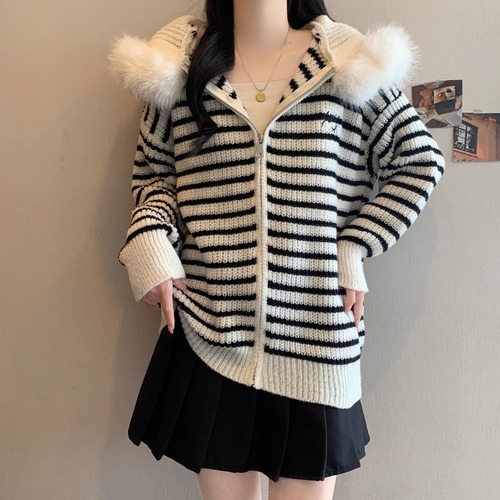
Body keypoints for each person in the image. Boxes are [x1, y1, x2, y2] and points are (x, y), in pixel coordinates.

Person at [110, 0, 444, 498]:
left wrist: (355, 245)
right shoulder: (177, 68)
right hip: (210, 333)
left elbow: (419, 161)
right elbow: (154, 178)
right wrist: (152, 243)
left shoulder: (349, 63)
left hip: (315, 336)